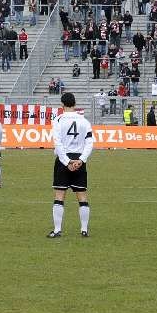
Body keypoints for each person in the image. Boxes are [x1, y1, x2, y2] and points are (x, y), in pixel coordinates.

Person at [48, 92, 94, 238]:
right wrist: (81, 160)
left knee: (60, 195)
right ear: (74, 104)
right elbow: (90, 142)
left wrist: (67, 162)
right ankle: (84, 230)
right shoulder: (84, 121)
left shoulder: (58, 120)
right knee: (82, 196)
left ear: (62, 104)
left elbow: (57, 143)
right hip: (79, 160)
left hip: (64, 160)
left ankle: (57, 230)